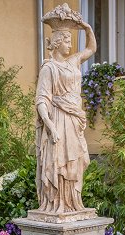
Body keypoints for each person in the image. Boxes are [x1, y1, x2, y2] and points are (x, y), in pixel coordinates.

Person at [35, 13, 95, 213]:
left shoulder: (74, 61)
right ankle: (58, 204)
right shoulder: (49, 68)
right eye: (67, 41)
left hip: (74, 119)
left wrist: (87, 28)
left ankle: (73, 203)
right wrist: (50, 127)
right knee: (59, 163)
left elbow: (91, 49)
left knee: (79, 161)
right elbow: (42, 100)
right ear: (58, 42)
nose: (70, 45)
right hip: (58, 119)